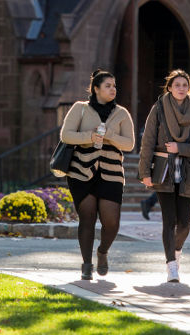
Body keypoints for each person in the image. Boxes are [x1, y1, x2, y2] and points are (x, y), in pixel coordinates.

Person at [59, 70, 135, 280]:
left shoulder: (121, 113)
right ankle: (86, 264)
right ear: (96, 89)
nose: (113, 89)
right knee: (87, 217)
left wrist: (109, 135)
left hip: (111, 173)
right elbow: (66, 135)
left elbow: (129, 144)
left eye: (114, 85)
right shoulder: (79, 109)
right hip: (81, 172)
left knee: (111, 223)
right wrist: (89, 137)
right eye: (108, 85)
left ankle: (102, 252)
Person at [138, 69, 190, 283]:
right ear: (169, 87)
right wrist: (145, 172)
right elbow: (148, 141)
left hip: (188, 171)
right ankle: (171, 266)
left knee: (185, 225)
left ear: (189, 88)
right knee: (169, 222)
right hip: (164, 171)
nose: (181, 88)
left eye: (184, 85)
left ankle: (176, 252)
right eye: (177, 85)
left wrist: (180, 147)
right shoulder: (159, 108)